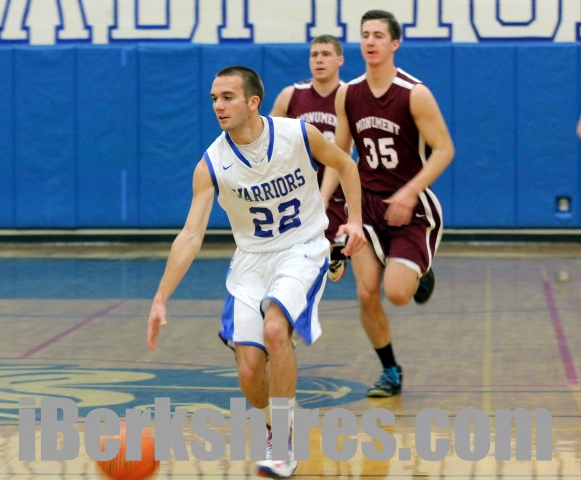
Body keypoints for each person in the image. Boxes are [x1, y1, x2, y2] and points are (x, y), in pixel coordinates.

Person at [146, 66, 366, 478]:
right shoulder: (212, 163)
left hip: (302, 248)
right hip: (251, 260)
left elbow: (346, 165)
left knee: (275, 329)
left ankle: (282, 445)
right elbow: (191, 235)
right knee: (249, 371)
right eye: (214, 99)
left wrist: (354, 221)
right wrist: (161, 296)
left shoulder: (297, 135)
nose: (218, 106)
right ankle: (276, 423)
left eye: (227, 97)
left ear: (253, 102)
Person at [321, 10, 454, 397]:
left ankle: (418, 272)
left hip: (411, 207)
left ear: (394, 44)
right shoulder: (349, 93)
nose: (370, 41)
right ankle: (390, 371)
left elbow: (445, 149)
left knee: (396, 293)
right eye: (365, 34)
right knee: (366, 293)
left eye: (378, 35)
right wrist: (322, 201)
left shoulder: (414, 93)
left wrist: (410, 191)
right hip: (366, 206)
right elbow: (339, 155)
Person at [270, 35, 350, 282]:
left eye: (326, 54)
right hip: (297, 186)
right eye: (314, 55)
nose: (319, 60)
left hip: (335, 188)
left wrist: (323, 196)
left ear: (340, 60)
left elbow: (343, 154)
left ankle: (336, 251)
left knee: (329, 253)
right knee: (294, 260)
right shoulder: (290, 95)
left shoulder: (348, 95)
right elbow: (269, 139)